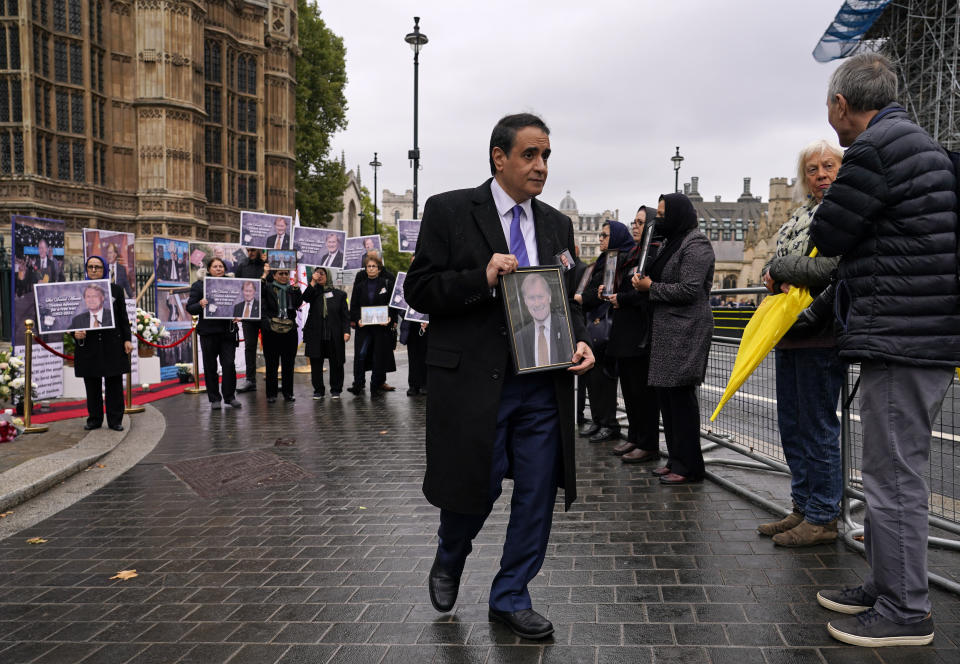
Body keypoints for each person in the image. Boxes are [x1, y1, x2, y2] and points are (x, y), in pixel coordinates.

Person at [405, 112, 594, 640]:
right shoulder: (449, 210)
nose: (541, 166)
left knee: (536, 492)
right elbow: (419, 290)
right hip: (475, 383)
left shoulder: (556, 223)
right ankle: (450, 555)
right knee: (476, 485)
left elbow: (568, 297)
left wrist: (579, 338)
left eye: (547, 156)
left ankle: (511, 595)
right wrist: (480, 278)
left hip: (541, 383)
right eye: (531, 155)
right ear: (500, 157)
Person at [808, 53, 958, 648]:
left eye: (829, 109)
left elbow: (828, 234)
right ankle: (884, 584)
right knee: (890, 472)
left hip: (902, 334)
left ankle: (906, 609)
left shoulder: (875, 148)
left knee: (893, 477)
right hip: (920, 330)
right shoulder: (919, 142)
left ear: (843, 105)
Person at [755, 140, 845, 547]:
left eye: (829, 166)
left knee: (817, 426)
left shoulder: (844, 211)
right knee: (792, 425)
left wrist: (784, 269)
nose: (821, 174)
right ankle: (803, 507)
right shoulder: (797, 219)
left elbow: (834, 267)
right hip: (789, 331)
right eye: (812, 169)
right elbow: (781, 271)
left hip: (821, 331)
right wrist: (776, 277)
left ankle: (824, 516)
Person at [632, 193, 715, 485]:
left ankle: (690, 466)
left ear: (679, 214)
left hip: (686, 331)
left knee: (681, 400)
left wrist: (650, 287)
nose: (660, 220)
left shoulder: (697, 243)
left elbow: (690, 290)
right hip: (667, 330)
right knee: (667, 399)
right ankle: (675, 459)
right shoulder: (672, 241)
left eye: (664, 214)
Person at [610, 206, 662, 464]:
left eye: (641, 222)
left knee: (643, 393)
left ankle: (648, 442)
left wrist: (620, 297)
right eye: (635, 222)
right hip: (624, 330)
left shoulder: (652, 253)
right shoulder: (632, 254)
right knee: (629, 390)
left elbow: (643, 292)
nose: (636, 226)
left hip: (641, 332)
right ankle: (634, 435)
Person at [577, 220, 634, 444]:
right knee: (594, 377)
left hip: (609, 325)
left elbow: (599, 292)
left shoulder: (618, 261)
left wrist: (585, 298)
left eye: (605, 235)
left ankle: (609, 423)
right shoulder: (603, 260)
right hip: (595, 322)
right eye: (600, 235)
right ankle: (599, 420)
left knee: (606, 378)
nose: (600, 238)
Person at [72, 256, 132, 432]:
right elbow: (71, 318)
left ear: (104, 269)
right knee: (92, 384)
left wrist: (127, 339)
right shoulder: (78, 290)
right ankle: (94, 419)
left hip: (111, 343)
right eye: (90, 267)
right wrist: (74, 333)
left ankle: (115, 420)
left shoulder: (116, 290)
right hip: (88, 344)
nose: (93, 270)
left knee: (114, 382)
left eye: (97, 267)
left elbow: (123, 317)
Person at [185, 257, 241, 410]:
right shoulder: (199, 285)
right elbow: (190, 308)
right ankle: (215, 398)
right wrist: (200, 304)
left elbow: (239, 303)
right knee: (210, 367)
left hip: (227, 332)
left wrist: (239, 314)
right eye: (215, 266)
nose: (218, 269)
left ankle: (230, 397)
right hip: (208, 332)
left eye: (221, 266)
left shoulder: (232, 284)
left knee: (229, 365)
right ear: (208, 269)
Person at [347, 254, 397, 394]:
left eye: (373, 266)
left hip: (381, 328)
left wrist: (390, 318)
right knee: (361, 354)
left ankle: (375, 385)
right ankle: (358, 384)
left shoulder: (386, 284)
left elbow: (393, 305)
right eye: (368, 266)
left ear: (379, 269)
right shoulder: (360, 286)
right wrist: (358, 320)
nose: (371, 269)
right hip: (364, 328)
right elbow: (354, 306)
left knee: (378, 356)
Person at [302, 267, 349, 399]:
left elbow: (345, 316)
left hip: (334, 335)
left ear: (328, 275)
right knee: (316, 363)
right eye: (316, 274)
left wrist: (346, 331)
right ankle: (318, 390)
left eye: (322, 274)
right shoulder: (313, 292)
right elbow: (304, 298)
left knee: (336, 363)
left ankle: (336, 389)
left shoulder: (340, 294)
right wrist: (312, 282)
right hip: (317, 334)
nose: (319, 276)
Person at [260, 264, 302, 403]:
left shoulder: (291, 289)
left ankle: (288, 393)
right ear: (275, 275)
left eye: (286, 274)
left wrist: (296, 287)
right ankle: (271, 394)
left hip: (289, 330)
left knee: (288, 364)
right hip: (272, 330)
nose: (284, 276)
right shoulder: (267, 287)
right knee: (271, 364)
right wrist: (264, 275)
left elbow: (298, 303)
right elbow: (257, 295)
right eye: (281, 274)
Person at [513, 272, 573, 369]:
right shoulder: (519, 338)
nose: (537, 304)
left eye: (540, 297)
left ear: (549, 297)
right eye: (531, 298)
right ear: (525, 301)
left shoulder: (567, 327)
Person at [235, 248, 265, 392]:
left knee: (270, 348)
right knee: (250, 347)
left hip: (265, 312)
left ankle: (272, 378)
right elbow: (236, 286)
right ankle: (250, 380)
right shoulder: (243, 265)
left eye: (253, 250)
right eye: (248, 250)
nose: (250, 252)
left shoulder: (266, 264)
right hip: (249, 314)